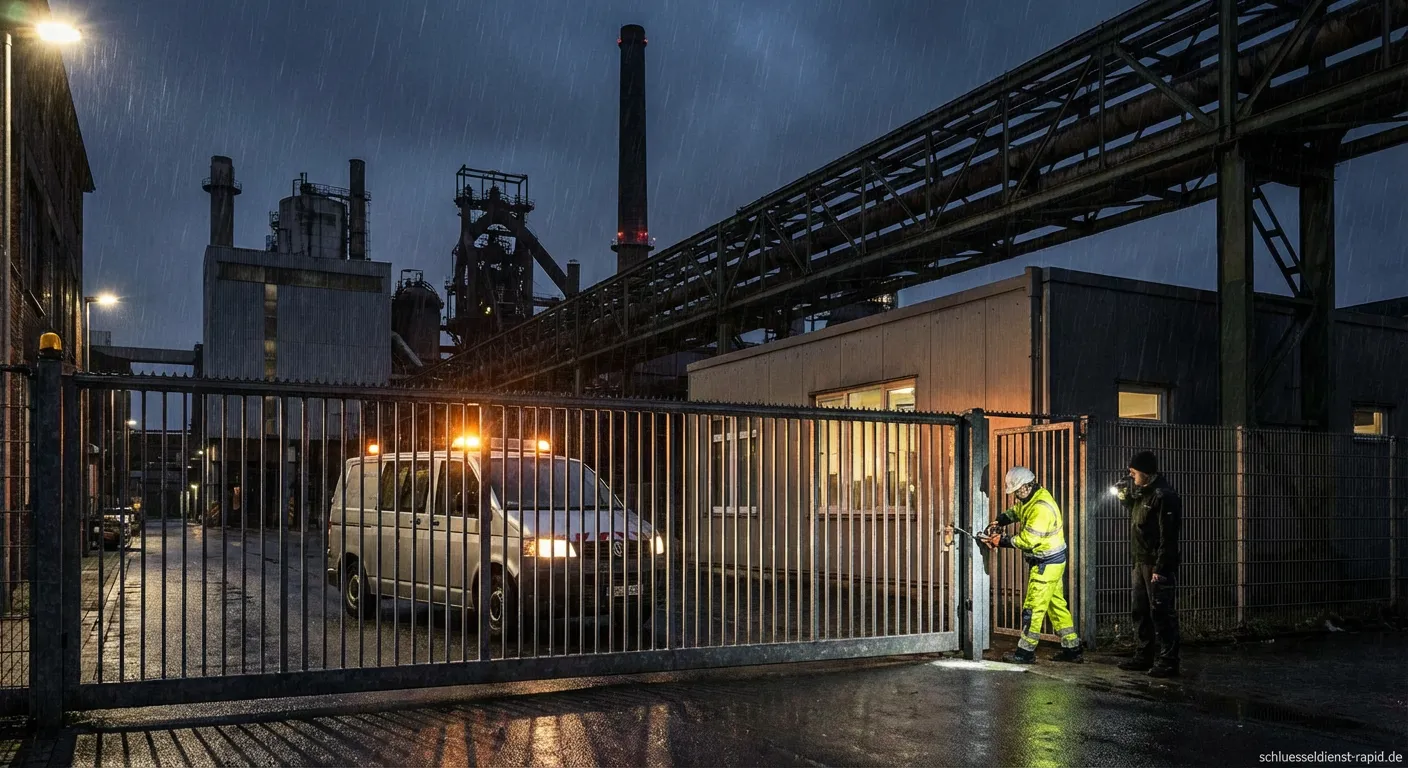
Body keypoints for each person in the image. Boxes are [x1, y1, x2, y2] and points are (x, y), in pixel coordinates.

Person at [984, 466, 1083, 664]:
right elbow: (1018, 511)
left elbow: (1028, 541)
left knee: (1033, 609)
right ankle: (1073, 649)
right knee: (1057, 606)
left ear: (1028, 486)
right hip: (1053, 560)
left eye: (1018, 491)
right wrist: (1000, 520)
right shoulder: (1033, 497)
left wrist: (1001, 540)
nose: (1016, 495)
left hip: (1046, 563)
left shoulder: (1041, 508)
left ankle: (1025, 652)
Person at [1114, 451, 1182, 678]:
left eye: (1134, 473)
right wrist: (1124, 497)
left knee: (1161, 612)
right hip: (1141, 561)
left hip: (1155, 564)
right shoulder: (1146, 494)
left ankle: (1168, 660)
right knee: (1141, 611)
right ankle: (1144, 656)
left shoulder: (1164, 496)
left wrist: (1161, 569)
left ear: (1145, 472)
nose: (1131, 477)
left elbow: (1168, 537)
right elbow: (1137, 513)